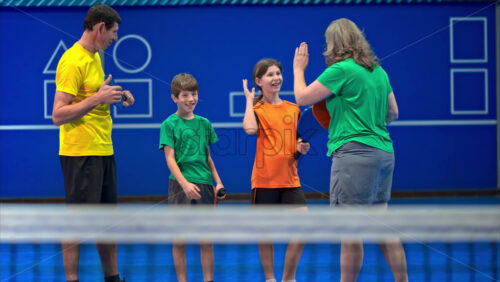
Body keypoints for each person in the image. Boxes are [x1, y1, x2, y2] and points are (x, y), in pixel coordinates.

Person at [292, 18, 408, 282]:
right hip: (384, 153)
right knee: (383, 226)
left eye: (328, 42)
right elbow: (394, 112)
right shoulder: (378, 71)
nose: (326, 47)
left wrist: (298, 69)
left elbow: (302, 98)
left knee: (349, 230)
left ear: (335, 44)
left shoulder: (342, 70)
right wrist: (366, 119)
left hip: (354, 155)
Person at [51, 4, 132, 282]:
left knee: (108, 222)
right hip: (80, 153)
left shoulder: (95, 56)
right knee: (78, 222)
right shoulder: (72, 61)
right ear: (100, 28)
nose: (116, 38)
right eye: (114, 32)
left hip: (103, 150)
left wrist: (117, 94)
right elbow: (58, 114)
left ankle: (113, 278)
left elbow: (93, 95)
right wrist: (97, 99)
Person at [242, 58, 310, 282]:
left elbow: (297, 141)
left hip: (291, 180)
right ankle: (270, 279)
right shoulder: (257, 109)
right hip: (264, 181)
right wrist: (249, 100)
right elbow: (250, 130)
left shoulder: (293, 108)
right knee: (265, 233)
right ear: (258, 81)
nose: (276, 78)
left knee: (305, 227)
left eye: (278, 73)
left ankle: (288, 278)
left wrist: (301, 147)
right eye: (270, 75)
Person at [159, 73, 226, 282]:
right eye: (185, 95)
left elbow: (207, 157)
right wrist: (185, 184)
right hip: (180, 187)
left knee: (206, 240)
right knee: (180, 241)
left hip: (205, 186)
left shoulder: (204, 124)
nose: (191, 99)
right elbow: (170, 159)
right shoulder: (169, 124)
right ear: (174, 98)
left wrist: (218, 182)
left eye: (194, 94)